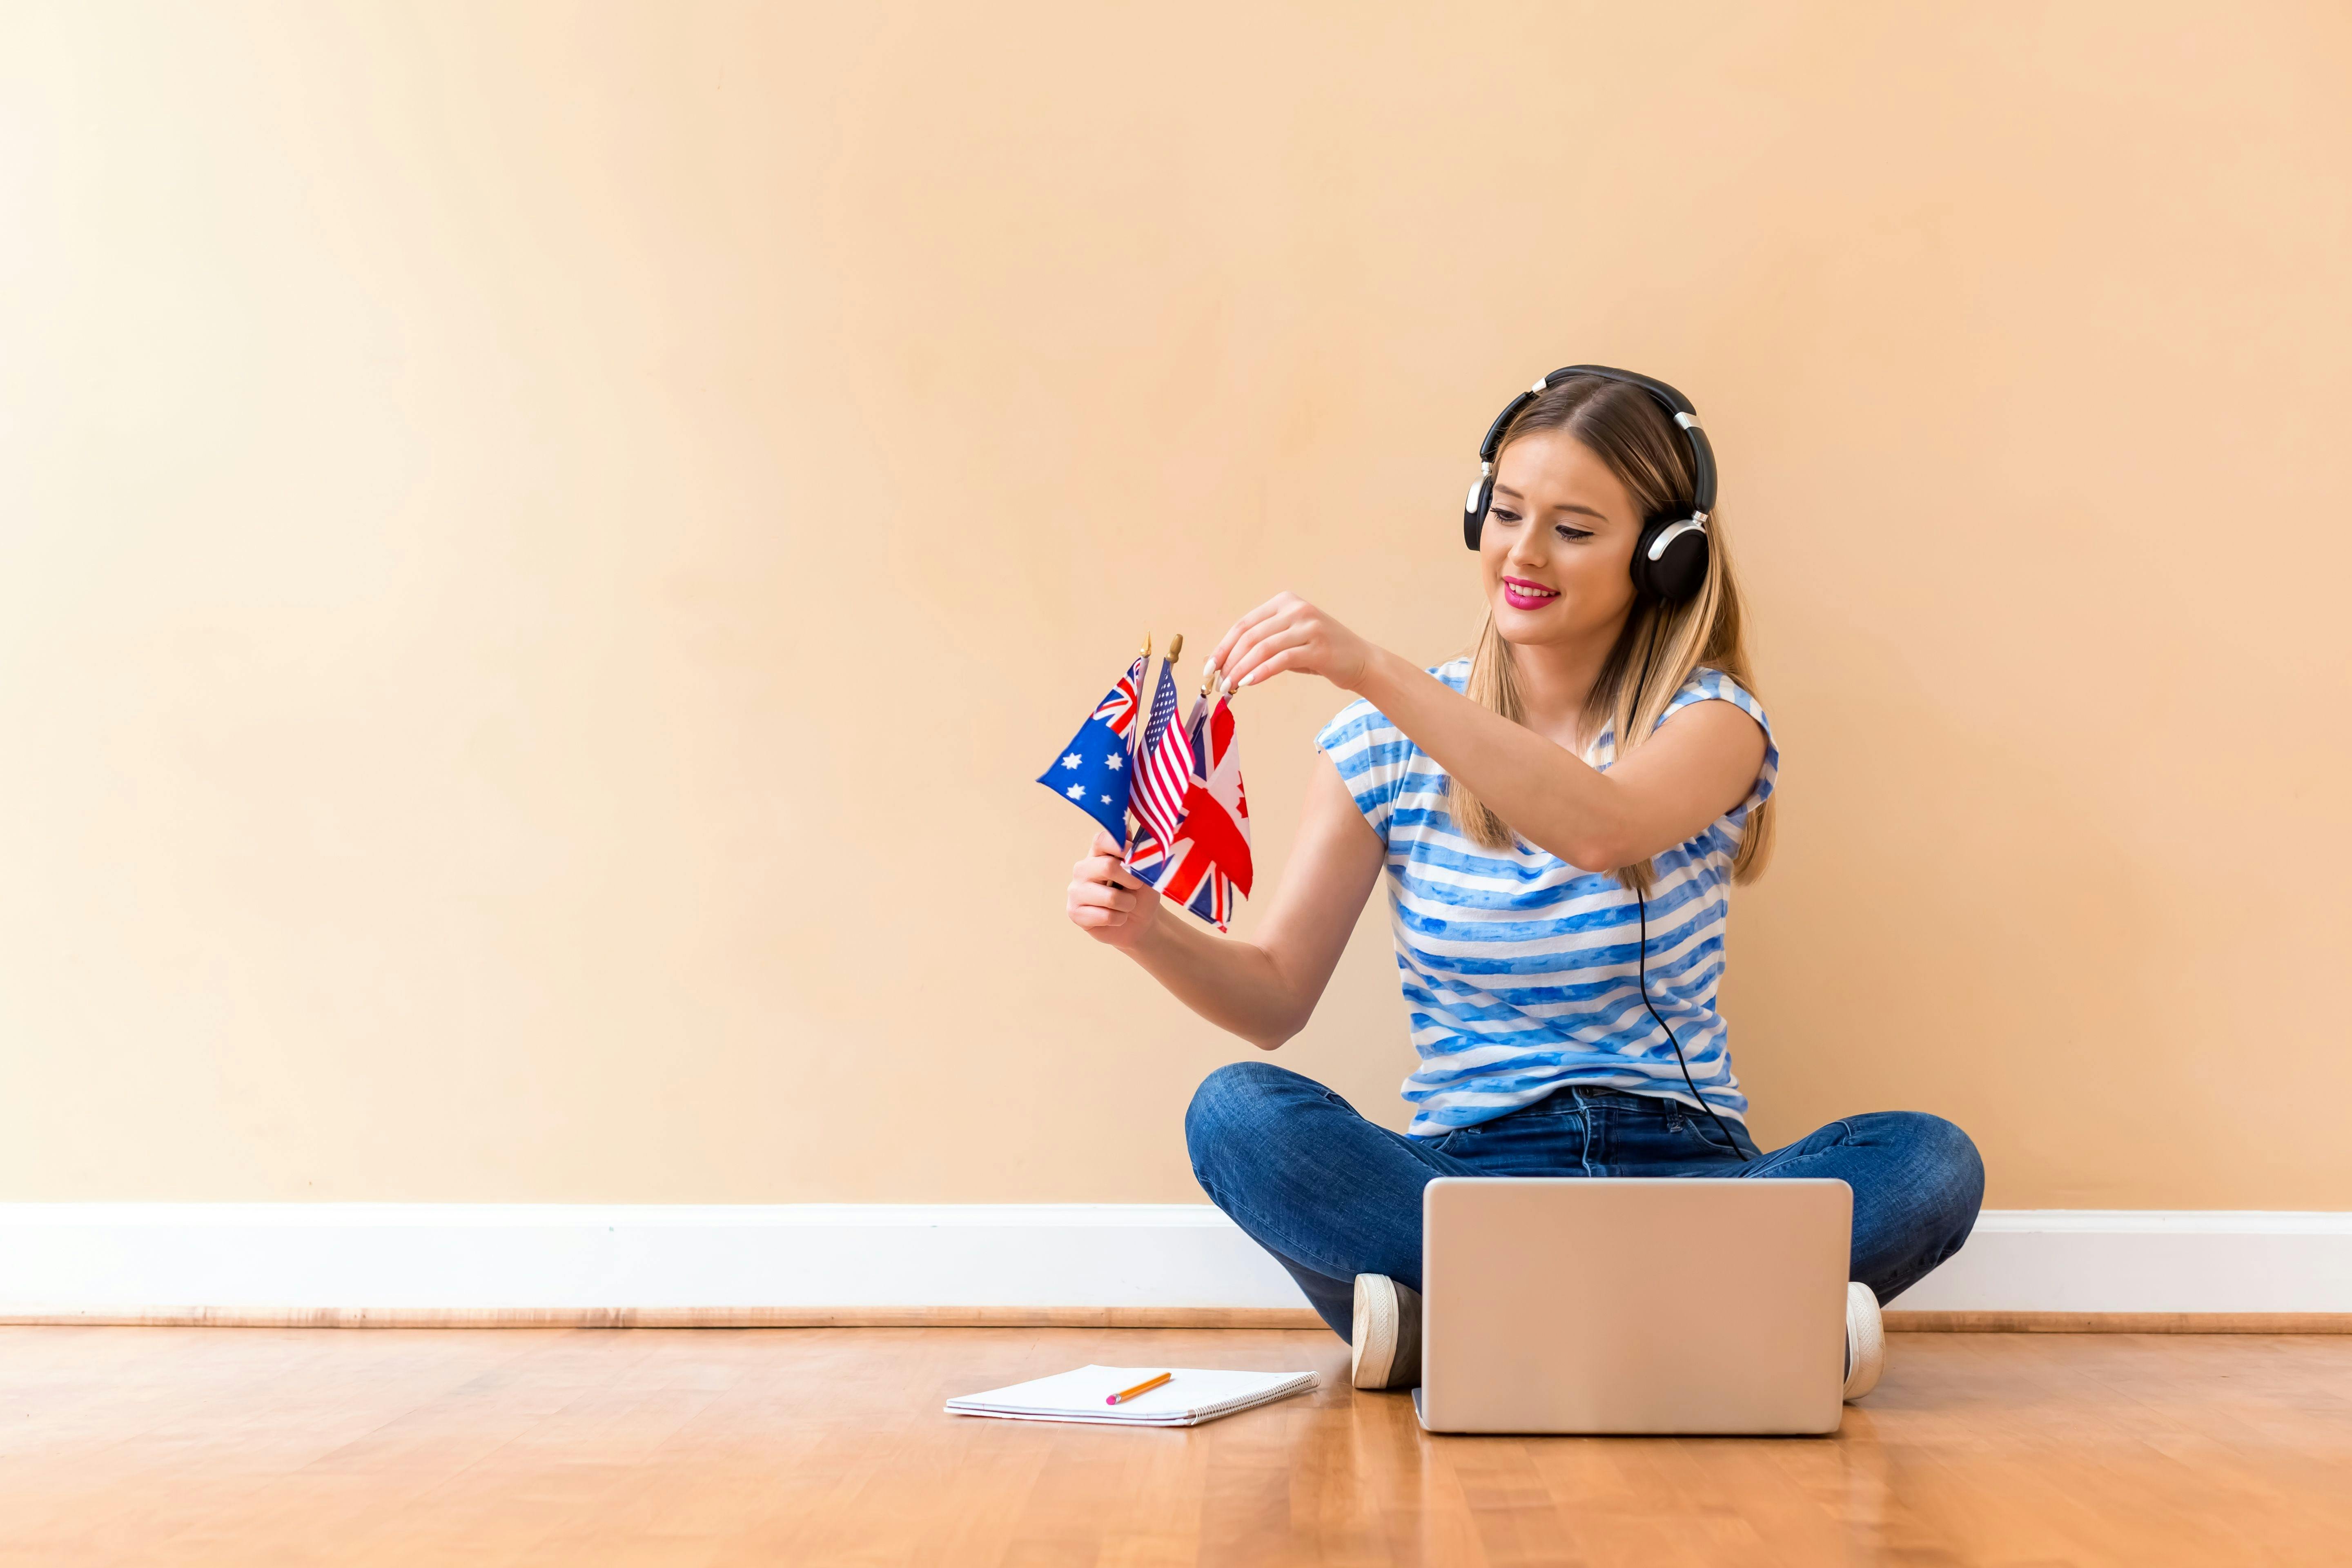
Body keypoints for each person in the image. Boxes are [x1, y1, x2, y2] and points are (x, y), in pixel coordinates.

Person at [1062, 368, 1984, 1399]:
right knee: (1237, 1113)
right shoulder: (1379, 744)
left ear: (1663, 557)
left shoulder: (1712, 722)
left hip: (1688, 1176)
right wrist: (1152, 932)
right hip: (1464, 1182)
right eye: (1505, 513)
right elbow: (1276, 998)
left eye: (1575, 529)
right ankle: (1713, 1328)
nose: (1522, 554)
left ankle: (1467, 1328)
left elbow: (1599, 827)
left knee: (1932, 1161)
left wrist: (1374, 667)